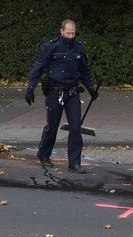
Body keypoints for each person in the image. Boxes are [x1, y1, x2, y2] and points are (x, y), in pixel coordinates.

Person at [25, 19, 98, 173]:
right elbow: (38, 68)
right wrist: (30, 88)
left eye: (73, 33)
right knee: (52, 126)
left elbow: (84, 71)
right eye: (68, 33)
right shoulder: (51, 47)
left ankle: (74, 163)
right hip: (54, 92)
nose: (70, 36)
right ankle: (44, 155)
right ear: (61, 31)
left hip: (72, 92)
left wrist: (91, 89)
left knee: (76, 127)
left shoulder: (79, 49)